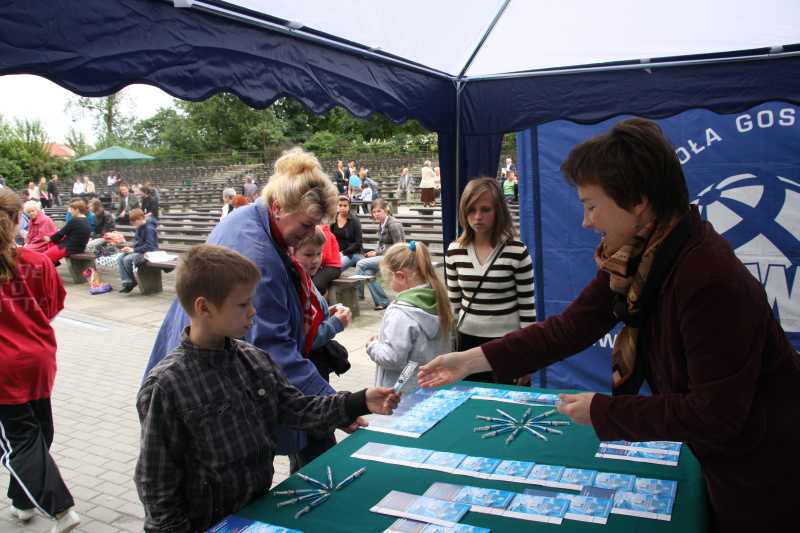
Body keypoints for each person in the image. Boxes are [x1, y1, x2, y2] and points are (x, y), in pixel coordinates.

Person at [418, 118, 800, 532]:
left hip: (767, 470)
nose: (586, 222)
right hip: (729, 460)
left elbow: (716, 414)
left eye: (591, 205)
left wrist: (604, 411)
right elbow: (570, 328)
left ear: (638, 201)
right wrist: (469, 360)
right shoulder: (638, 257)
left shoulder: (706, 277)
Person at [135, 244, 398, 532]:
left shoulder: (254, 359)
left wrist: (359, 401)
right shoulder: (167, 385)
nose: (253, 312)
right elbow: (156, 484)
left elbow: (297, 408)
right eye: (242, 304)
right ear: (204, 307)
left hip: (256, 514)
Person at [146, 147, 346, 473]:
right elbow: (271, 347)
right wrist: (333, 405)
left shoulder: (250, 218)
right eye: (307, 225)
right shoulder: (258, 254)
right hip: (207, 389)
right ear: (278, 207)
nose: (311, 235)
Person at [0, 188, 81, 533]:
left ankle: (61, 509)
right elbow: (52, 306)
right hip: (38, 358)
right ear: (18, 218)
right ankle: (22, 501)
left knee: (18, 441)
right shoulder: (38, 262)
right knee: (38, 433)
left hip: (4, 369)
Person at [444, 177, 535, 383]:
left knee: (509, 399)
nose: (478, 217)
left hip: (508, 344)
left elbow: (527, 309)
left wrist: (529, 357)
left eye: (485, 209)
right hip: (467, 343)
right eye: (471, 210)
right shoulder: (454, 251)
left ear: (498, 211)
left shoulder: (517, 251)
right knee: (470, 399)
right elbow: (454, 305)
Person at [367, 241, 453, 392]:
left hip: (401, 393)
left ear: (401, 276)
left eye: (388, 278)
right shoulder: (440, 300)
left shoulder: (400, 313)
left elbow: (392, 359)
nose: (388, 283)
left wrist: (372, 346)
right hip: (432, 388)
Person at [293, 228, 353, 377]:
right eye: (308, 254)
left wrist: (327, 312)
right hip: (309, 365)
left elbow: (311, 315)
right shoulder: (295, 286)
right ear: (291, 252)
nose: (315, 260)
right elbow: (306, 340)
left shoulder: (306, 278)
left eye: (319, 254)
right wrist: (335, 324)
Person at [355, 199, 405, 310]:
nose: (376, 214)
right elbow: (383, 245)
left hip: (395, 258)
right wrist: (375, 252)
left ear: (386, 210)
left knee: (360, 263)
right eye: (374, 212)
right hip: (384, 256)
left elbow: (399, 247)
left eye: (379, 211)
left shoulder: (393, 224)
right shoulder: (382, 223)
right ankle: (382, 301)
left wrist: (378, 253)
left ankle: (358, 295)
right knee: (368, 273)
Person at [117, 208, 159, 293]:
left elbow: (150, 246)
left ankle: (133, 281)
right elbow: (137, 242)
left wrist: (133, 250)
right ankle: (127, 282)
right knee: (120, 258)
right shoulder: (139, 227)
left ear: (140, 218)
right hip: (140, 251)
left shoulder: (149, 228)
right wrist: (129, 248)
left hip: (149, 253)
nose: (133, 224)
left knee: (127, 260)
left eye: (134, 222)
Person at [43, 199, 91, 265]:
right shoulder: (85, 220)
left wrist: (49, 239)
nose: (70, 212)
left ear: (77, 210)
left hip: (69, 248)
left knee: (44, 257)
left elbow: (61, 234)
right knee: (52, 243)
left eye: (71, 209)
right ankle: (54, 263)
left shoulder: (75, 221)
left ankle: (52, 264)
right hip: (79, 248)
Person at [331, 195, 364, 271]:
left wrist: (343, 253)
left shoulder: (354, 220)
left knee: (335, 267)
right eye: (340, 205)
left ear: (349, 206)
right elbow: (330, 238)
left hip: (353, 254)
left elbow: (358, 243)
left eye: (345, 206)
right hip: (337, 254)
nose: (342, 208)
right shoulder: (333, 219)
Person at [310, 224, 342, 295]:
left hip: (333, 267)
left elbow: (326, 256)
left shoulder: (325, 234)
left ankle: (321, 298)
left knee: (317, 285)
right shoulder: (312, 233)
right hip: (321, 266)